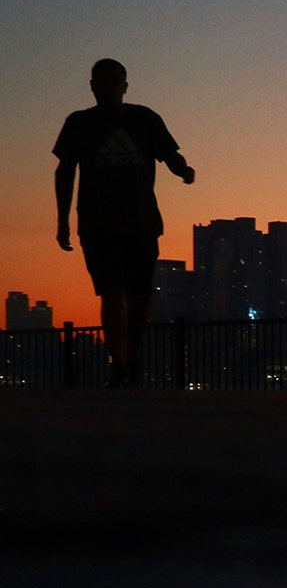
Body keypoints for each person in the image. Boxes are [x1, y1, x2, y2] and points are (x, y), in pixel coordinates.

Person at [53, 58, 195, 387]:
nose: (105, 86)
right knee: (113, 292)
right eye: (100, 80)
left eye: (112, 80)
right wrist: (62, 219)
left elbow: (170, 154)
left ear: (124, 86)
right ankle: (120, 366)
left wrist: (183, 170)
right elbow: (65, 171)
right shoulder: (79, 123)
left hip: (141, 221)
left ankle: (130, 359)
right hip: (98, 223)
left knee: (139, 297)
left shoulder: (144, 119)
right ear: (92, 86)